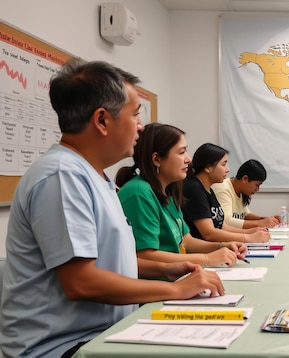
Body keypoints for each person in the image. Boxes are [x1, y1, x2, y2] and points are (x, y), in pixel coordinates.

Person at [0, 59, 223, 358]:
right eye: (135, 115)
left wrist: (165, 269)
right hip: (62, 348)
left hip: (102, 334)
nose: (141, 127)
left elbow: (105, 262)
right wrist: (174, 290)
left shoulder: (93, 176)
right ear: (102, 120)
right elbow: (81, 281)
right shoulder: (62, 176)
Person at [116, 123, 247, 269]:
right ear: (157, 159)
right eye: (181, 152)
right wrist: (207, 258)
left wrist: (223, 246)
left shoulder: (167, 190)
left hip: (177, 277)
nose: (189, 159)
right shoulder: (139, 192)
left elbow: (186, 240)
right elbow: (145, 255)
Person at [182, 143, 271, 243]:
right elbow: (209, 233)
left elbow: (222, 226)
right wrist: (248, 237)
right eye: (223, 164)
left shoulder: (209, 189)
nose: (227, 169)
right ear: (208, 168)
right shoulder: (193, 188)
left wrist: (251, 232)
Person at [212, 159, 281, 229]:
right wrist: (260, 223)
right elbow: (226, 221)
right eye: (257, 185)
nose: (258, 189)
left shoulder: (241, 190)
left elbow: (245, 215)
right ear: (245, 179)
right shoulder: (223, 188)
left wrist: (265, 219)